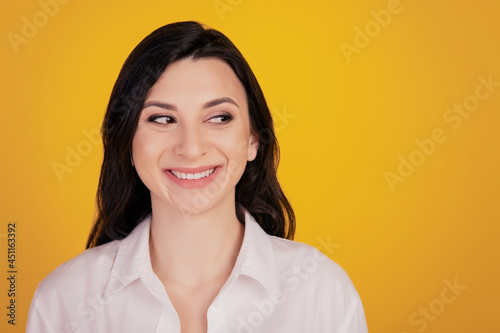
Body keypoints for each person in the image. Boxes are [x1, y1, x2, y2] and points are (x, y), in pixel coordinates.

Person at [26, 21, 368, 332]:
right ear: (128, 144)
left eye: (219, 118)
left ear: (253, 140)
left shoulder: (322, 293)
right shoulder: (62, 301)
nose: (191, 148)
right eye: (162, 119)